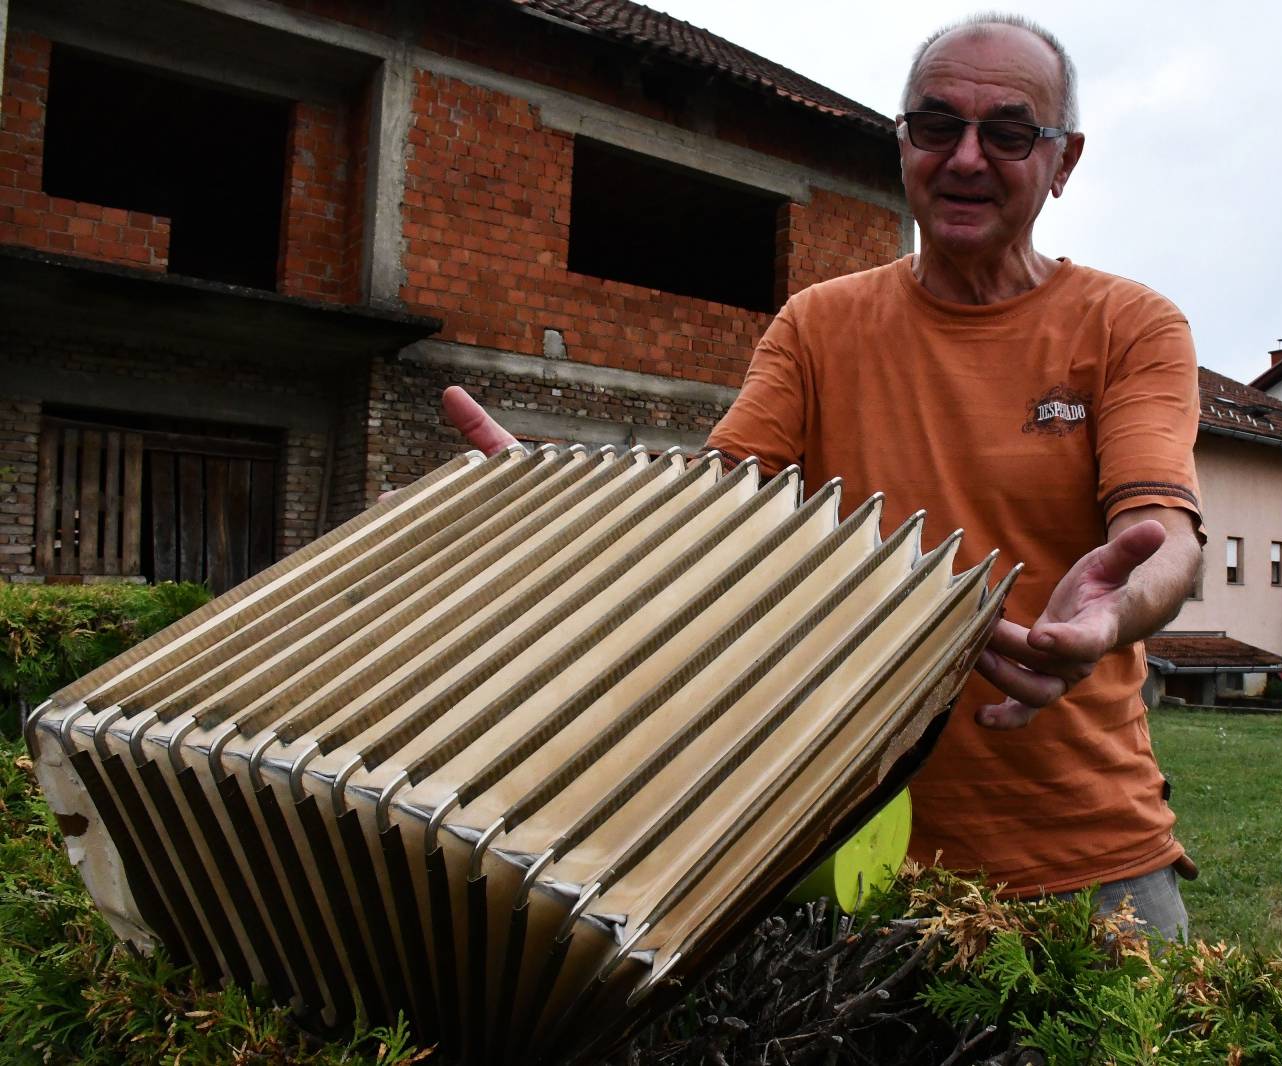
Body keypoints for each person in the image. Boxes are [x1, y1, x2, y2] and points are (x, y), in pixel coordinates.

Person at [441, 14, 1203, 940]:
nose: (965, 158)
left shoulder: (1128, 326)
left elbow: (1167, 533)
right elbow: (710, 517)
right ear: (902, 141)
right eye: (935, 126)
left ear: (1064, 160)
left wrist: (1111, 613)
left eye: (1007, 132)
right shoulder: (819, 326)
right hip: (847, 863)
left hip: (1090, 866)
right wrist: (569, 506)